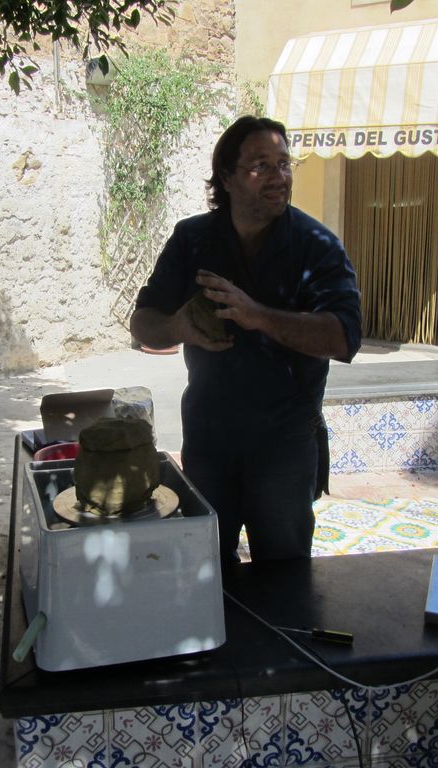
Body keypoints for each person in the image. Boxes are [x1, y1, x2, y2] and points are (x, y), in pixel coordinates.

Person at [131, 115, 362, 569]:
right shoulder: (193, 239)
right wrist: (178, 327)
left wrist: (258, 315)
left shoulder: (316, 245)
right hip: (209, 438)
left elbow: (343, 336)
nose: (279, 177)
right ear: (227, 177)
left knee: (284, 574)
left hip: (284, 443)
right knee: (204, 570)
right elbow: (142, 323)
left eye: (284, 164)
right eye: (261, 166)